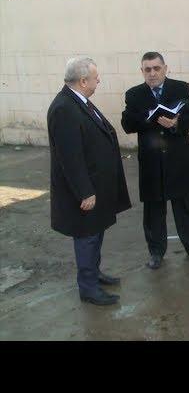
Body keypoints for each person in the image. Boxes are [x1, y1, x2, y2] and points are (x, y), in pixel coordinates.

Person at [47, 57, 131, 305]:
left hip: (97, 184)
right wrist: (85, 192)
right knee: (87, 236)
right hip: (85, 190)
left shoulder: (78, 101)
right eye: (96, 77)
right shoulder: (64, 108)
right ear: (83, 81)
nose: (99, 81)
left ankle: (94, 274)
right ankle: (88, 288)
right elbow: (69, 157)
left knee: (96, 232)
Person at [121, 52, 189, 269]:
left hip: (178, 158)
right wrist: (150, 118)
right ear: (142, 71)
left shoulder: (181, 88)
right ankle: (156, 253)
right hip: (151, 161)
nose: (152, 73)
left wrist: (175, 124)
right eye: (147, 69)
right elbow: (127, 124)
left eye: (156, 68)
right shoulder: (134, 94)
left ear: (165, 68)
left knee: (184, 206)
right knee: (153, 209)